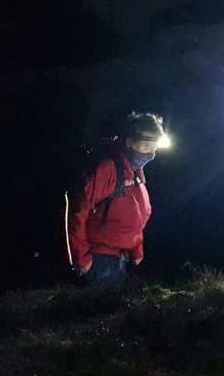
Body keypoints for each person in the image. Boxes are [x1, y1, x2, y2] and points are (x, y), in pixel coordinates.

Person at [67, 112, 166, 293]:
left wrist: (136, 249)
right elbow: (77, 212)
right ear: (128, 142)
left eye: (154, 148)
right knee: (98, 317)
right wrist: (83, 260)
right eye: (145, 146)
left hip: (122, 258)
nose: (150, 154)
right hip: (100, 260)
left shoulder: (135, 170)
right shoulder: (107, 168)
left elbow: (136, 213)